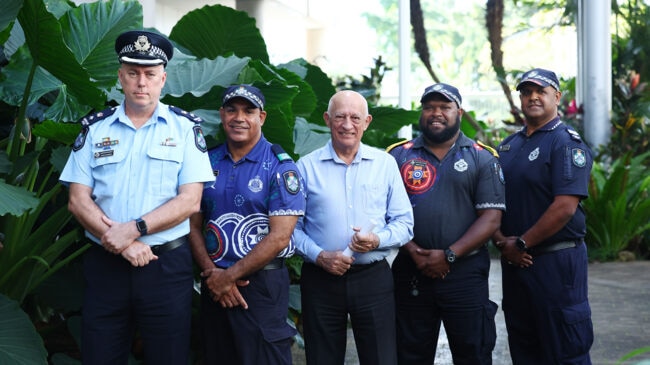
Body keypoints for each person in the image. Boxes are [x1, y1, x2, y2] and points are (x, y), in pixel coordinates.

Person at [59, 30, 215, 364]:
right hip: (107, 264)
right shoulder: (96, 128)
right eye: (133, 73)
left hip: (165, 268)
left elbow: (190, 201)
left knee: (168, 357)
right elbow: (78, 199)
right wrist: (121, 242)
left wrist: (134, 229)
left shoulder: (185, 129)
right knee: (99, 356)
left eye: (149, 74)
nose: (141, 82)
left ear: (163, 79)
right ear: (120, 77)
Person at [293, 90, 414, 365]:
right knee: (322, 358)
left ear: (367, 121)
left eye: (355, 117)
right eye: (340, 117)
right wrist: (320, 256)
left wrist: (377, 239)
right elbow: (291, 229)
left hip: (372, 279)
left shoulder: (385, 164)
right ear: (327, 119)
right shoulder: (305, 167)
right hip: (320, 279)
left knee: (381, 358)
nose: (347, 125)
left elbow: (405, 224)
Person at [387, 83, 505, 364]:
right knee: (409, 354)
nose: (436, 113)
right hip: (411, 271)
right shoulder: (397, 156)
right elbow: (384, 213)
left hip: (465, 275)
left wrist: (449, 255)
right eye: (429, 107)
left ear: (459, 112)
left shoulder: (482, 157)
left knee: (473, 353)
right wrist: (415, 252)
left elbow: (491, 218)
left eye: (444, 107)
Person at [188, 84, 306, 365]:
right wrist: (214, 275)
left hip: (261, 284)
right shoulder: (206, 161)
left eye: (248, 111)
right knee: (218, 356)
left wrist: (229, 278)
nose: (239, 117)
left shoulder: (280, 167)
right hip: (213, 282)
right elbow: (192, 225)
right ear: (222, 114)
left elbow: (279, 237)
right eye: (232, 110)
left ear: (262, 117)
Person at [493, 68, 594, 364]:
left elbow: (565, 206)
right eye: (526, 92)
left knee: (565, 348)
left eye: (541, 91)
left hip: (556, 263)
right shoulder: (508, 147)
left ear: (557, 97)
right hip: (515, 264)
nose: (532, 97)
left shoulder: (566, 142)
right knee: (524, 345)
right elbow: (493, 202)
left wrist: (521, 244)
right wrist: (502, 243)